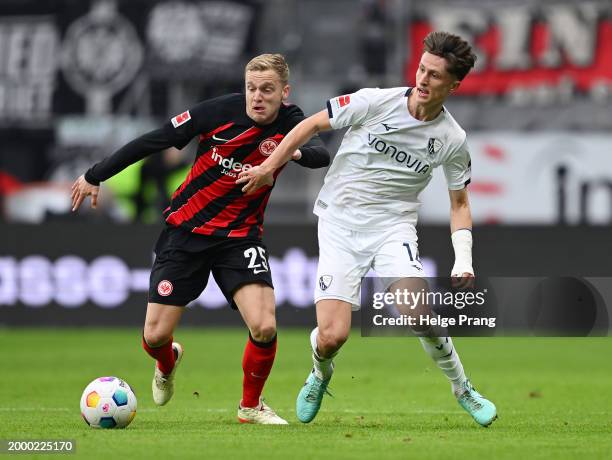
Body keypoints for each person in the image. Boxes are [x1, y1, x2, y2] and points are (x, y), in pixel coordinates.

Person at [237, 32, 497, 427]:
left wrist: (464, 259)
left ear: (454, 85)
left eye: (435, 75)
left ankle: (463, 388)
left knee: (419, 313)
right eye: (422, 69)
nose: (423, 80)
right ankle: (320, 373)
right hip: (340, 223)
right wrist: (268, 167)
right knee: (331, 337)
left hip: (393, 227)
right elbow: (309, 126)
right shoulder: (375, 100)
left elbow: (459, 203)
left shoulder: (452, 139)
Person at [71, 54, 330, 424]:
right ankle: (167, 361)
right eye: (251, 88)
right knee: (155, 335)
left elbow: (322, 154)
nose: (257, 97)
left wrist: (283, 156)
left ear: (284, 92)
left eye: (267, 90)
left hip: (241, 239)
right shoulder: (218, 112)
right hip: (186, 233)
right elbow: (154, 140)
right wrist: (96, 174)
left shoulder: (291, 122)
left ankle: (250, 407)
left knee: (265, 325)